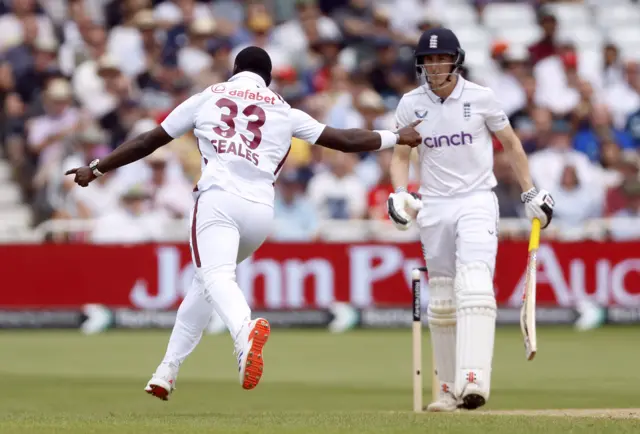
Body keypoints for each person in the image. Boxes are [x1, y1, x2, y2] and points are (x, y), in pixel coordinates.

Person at [65, 46, 422, 400]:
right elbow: (345, 141)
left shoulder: (209, 95)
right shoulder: (285, 109)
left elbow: (149, 140)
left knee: (216, 277)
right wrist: (396, 136)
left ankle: (243, 331)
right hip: (261, 213)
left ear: (235, 70)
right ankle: (166, 371)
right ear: (267, 79)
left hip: (219, 199)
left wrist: (97, 168)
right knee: (204, 284)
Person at [386, 28, 556, 412]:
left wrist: (530, 191)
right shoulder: (411, 104)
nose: (433, 66)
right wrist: (399, 192)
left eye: (440, 59)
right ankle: (449, 391)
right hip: (434, 204)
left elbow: (511, 144)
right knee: (443, 298)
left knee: (475, 282)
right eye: (427, 60)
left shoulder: (481, 97)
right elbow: (400, 156)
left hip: (477, 199)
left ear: (455, 60)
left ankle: (474, 380)